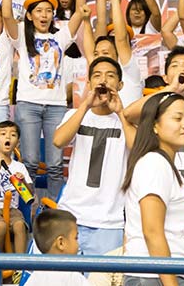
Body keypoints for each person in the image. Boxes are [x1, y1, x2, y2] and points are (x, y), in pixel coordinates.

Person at [4, 0, 86, 200]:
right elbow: (7, 15)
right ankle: (26, 208)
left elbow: (80, 12)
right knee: (28, 162)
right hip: (28, 104)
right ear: (30, 15)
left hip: (56, 107)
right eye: (39, 11)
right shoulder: (21, 35)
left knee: (54, 164)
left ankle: (53, 209)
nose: (44, 15)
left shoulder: (60, 36)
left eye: (48, 11)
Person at [54, 56, 135, 255]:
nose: (103, 81)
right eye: (97, 76)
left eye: (110, 76)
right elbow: (58, 141)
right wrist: (85, 106)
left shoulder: (128, 119)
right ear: (89, 83)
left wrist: (121, 113)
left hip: (109, 220)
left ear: (120, 84)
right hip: (70, 214)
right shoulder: (76, 114)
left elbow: (137, 147)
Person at [122, 92, 184, 286]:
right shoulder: (154, 163)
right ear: (155, 125)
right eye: (177, 118)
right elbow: (152, 230)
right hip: (155, 277)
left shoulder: (162, 164)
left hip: (162, 275)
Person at [0, 121, 33, 254]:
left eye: (13, 135)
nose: (8, 138)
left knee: (19, 226)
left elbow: (29, 196)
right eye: (3, 134)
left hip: (12, 210)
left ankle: (20, 267)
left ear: (17, 143)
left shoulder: (19, 167)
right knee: (0, 226)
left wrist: (23, 182)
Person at [25, 209, 89, 286]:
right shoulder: (73, 277)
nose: (78, 245)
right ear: (61, 243)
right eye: (76, 238)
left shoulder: (34, 277)